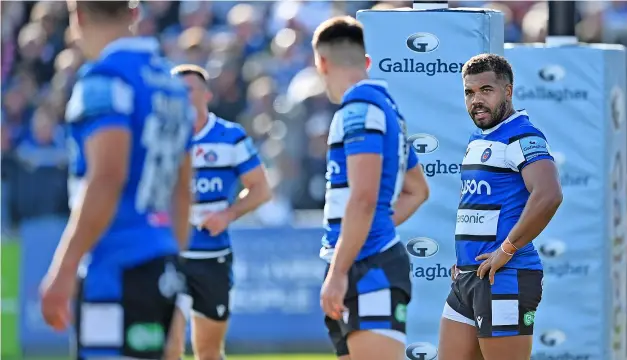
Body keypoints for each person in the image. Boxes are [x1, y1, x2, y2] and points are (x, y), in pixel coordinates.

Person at [39, 2, 195, 359]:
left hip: (115, 266)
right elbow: (183, 192)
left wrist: (63, 271)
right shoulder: (171, 87)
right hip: (161, 261)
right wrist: (175, 267)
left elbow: (107, 178)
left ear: (77, 16)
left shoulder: (103, 80)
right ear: (133, 13)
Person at [312, 16, 430, 360]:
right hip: (361, 260)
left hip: (365, 265)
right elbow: (417, 191)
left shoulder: (358, 112)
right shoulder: (387, 111)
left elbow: (363, 200)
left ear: (322, 62)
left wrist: (338, 271)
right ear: (366, 62)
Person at [438, 54, 563, 360]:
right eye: (469, 92)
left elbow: (549, 194)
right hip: (469, 276)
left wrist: (506, 249)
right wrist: (465, 258)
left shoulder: (521, 135)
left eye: (486, 90)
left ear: (507, 91)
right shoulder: (479, 137)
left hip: (506, 277)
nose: (476, 100)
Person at [169, 64, 271, 360]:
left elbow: (261, 189)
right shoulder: (162, 136)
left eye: (188, 90)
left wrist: (227, 215)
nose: (182, 98)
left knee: (209, 351)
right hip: (170, 256)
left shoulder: (230, 136)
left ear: (206, 94)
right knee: (169, 347)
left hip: (212, 258)